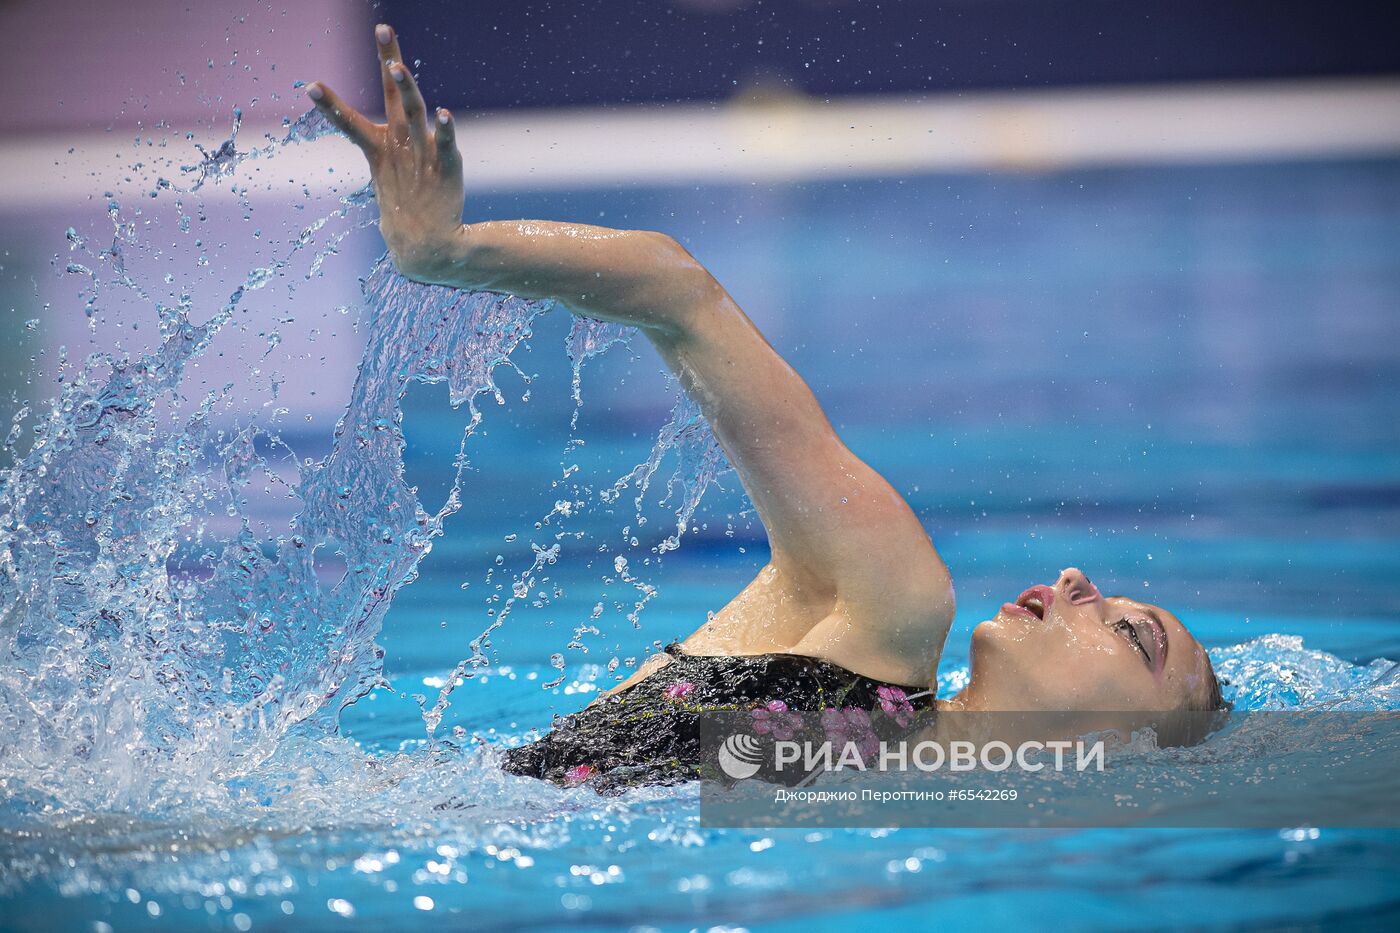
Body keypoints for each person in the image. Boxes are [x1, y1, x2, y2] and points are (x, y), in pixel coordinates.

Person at [309, 25, 1224, 791]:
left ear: (1129, 751)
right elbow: (681, 294)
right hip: (395, 830)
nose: (1076, 581)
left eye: (1131, 633)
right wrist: (449, 252)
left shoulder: (937, 814)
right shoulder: (882, 621)